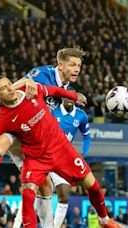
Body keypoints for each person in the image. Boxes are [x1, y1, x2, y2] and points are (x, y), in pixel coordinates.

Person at [0, 76, 121, 228]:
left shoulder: (30, 90)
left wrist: (73, 95)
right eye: (3, 88)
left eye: (9, 84)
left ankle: (104, 219)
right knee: (27, 192)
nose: (9, 88)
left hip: (60, 147)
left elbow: (55, 91)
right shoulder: (2, 119)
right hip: (36, 157)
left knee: (92, 184)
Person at [14, 47, 89, 227]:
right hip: (17, 136)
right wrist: (25, 82)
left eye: (78, 65)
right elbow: (15, 86)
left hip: (34, 140)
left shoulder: (62, 87)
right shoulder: (42, 74)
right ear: (60, 65)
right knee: (35, 185)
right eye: (72, 65)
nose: (77, 69)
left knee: (44, 186)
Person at [50, 86, 91, 227]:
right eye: (66, 96)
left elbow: (87, 136)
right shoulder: (52, 111)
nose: (69, 99)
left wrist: (83, 153)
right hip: (45, 155)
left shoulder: (81, 116)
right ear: (62, 97)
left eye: (72, 96)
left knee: (64, 196)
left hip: (63, 159)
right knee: (34, 191)